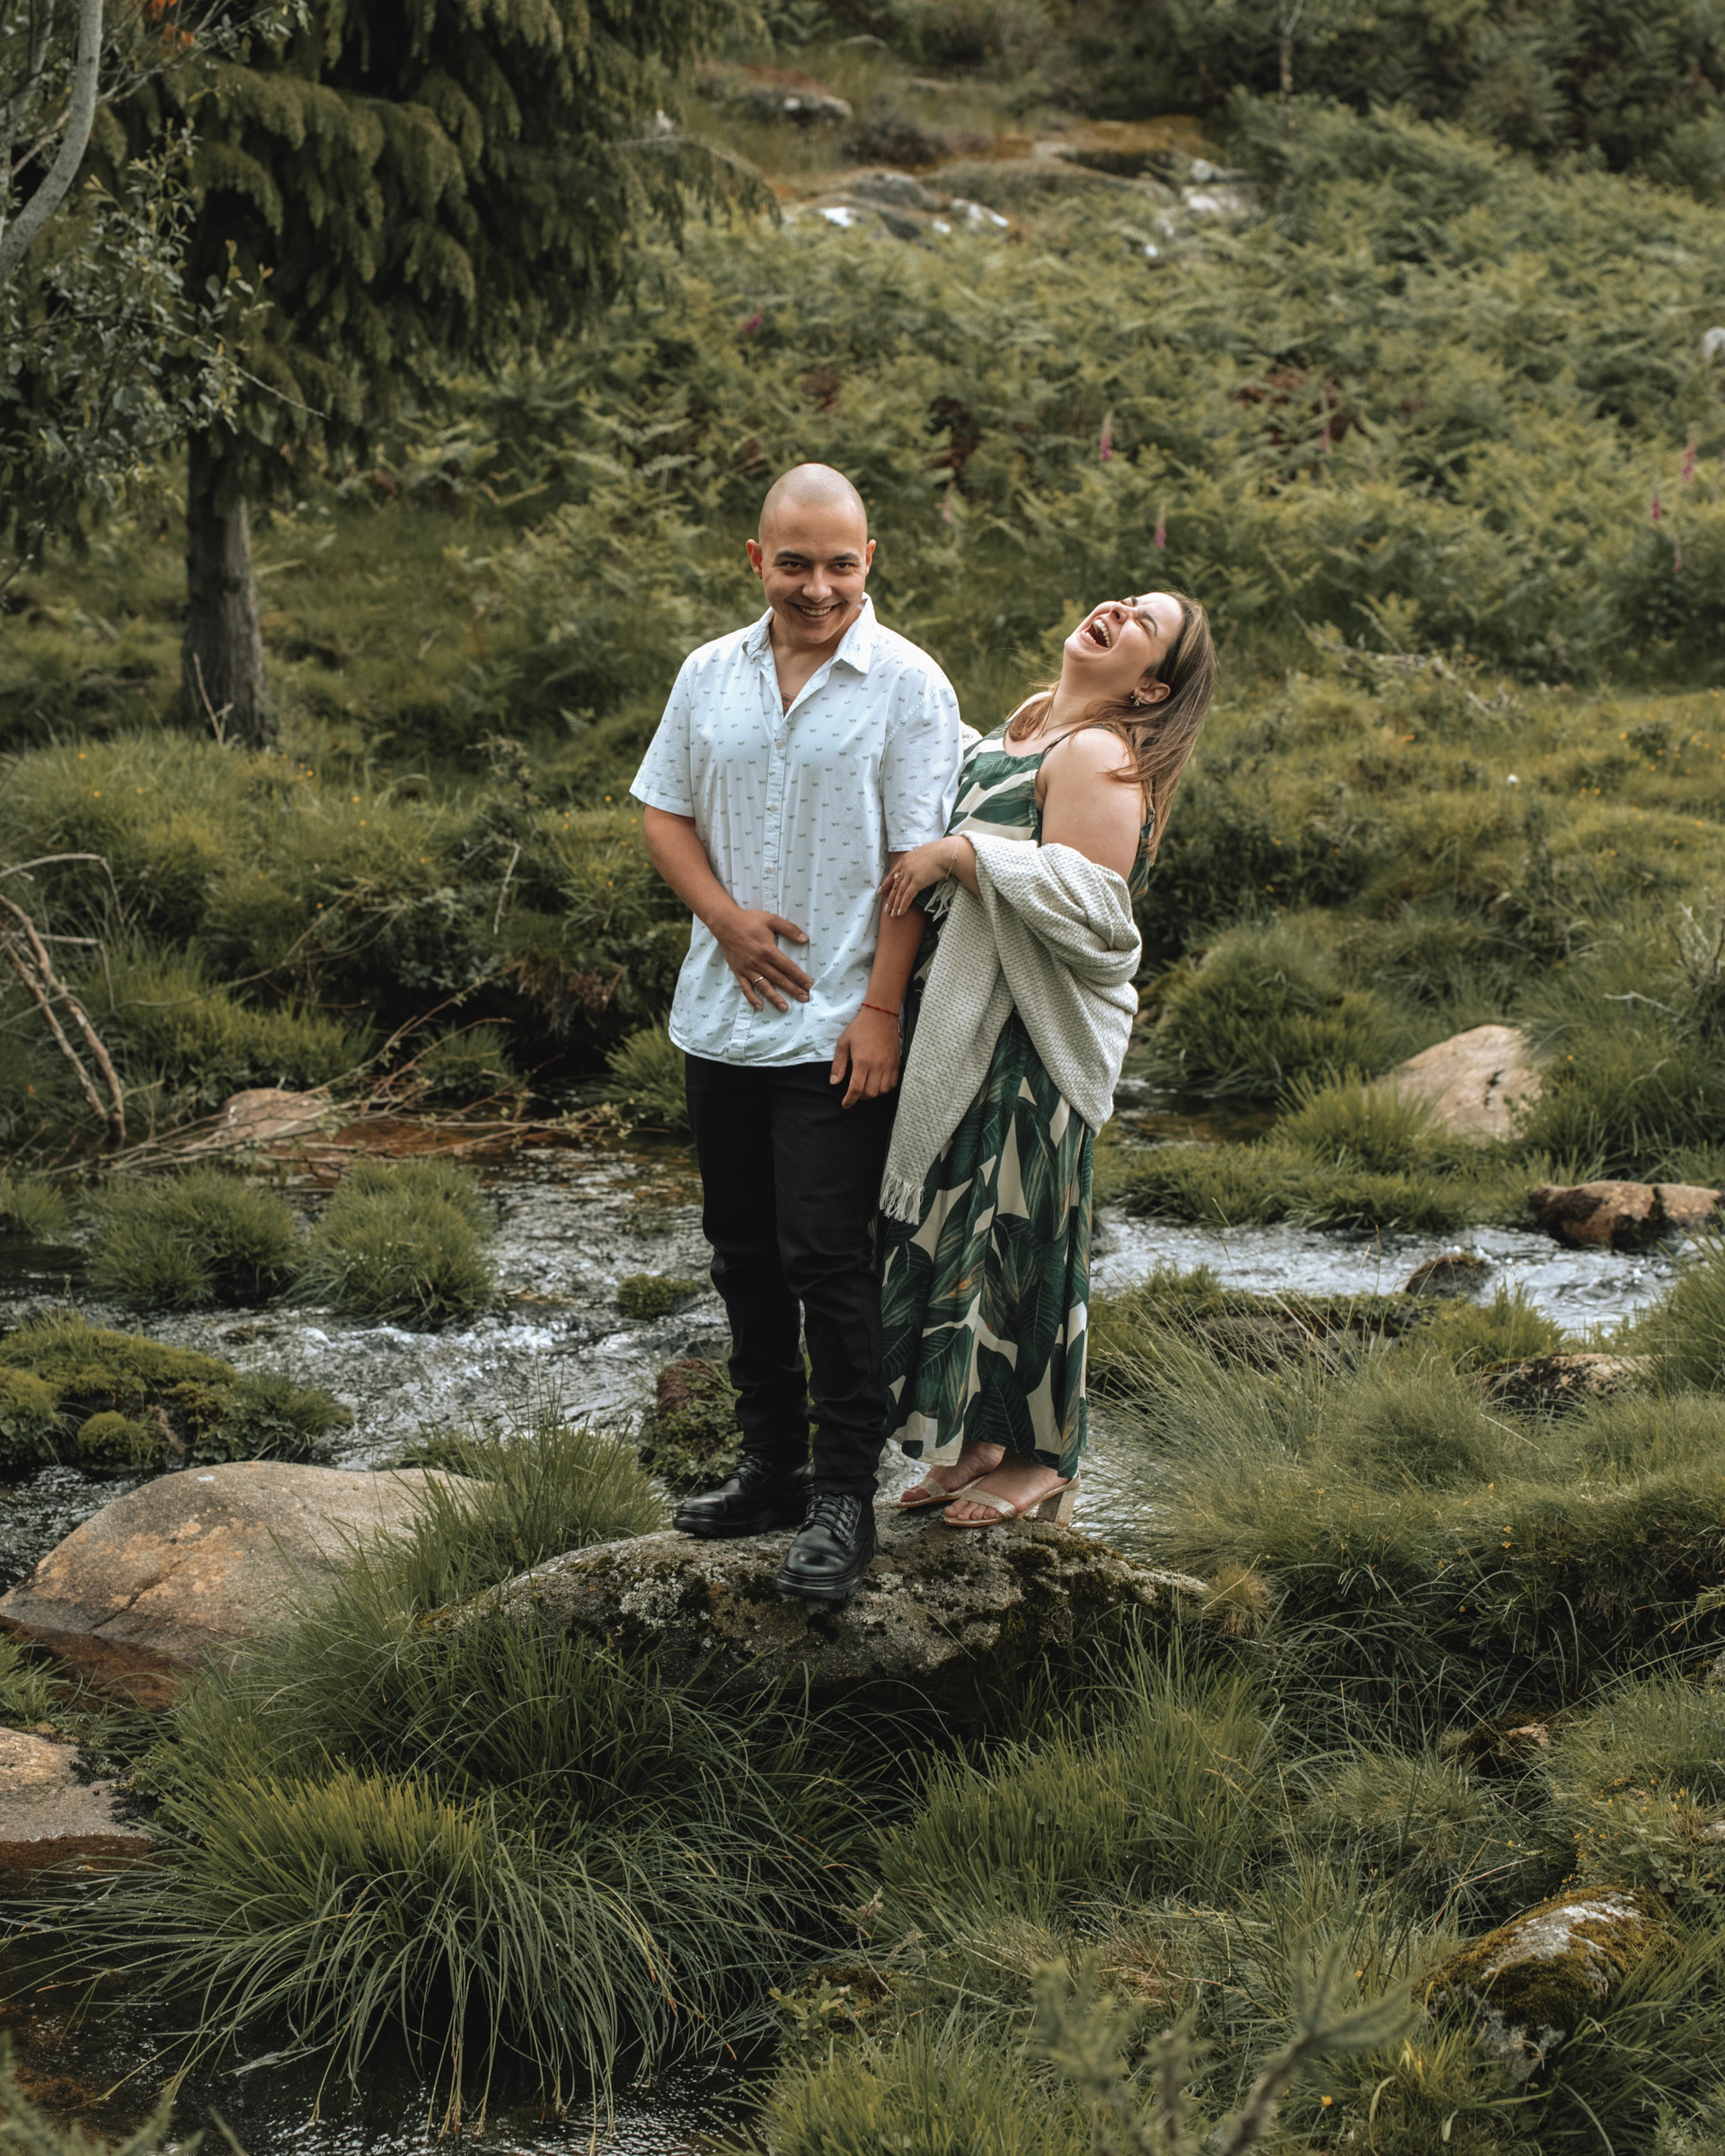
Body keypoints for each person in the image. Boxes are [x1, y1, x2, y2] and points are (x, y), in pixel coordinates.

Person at [632, 464, 964, 1602]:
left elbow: (917, 866)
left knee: (828, 1257)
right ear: (755, 560)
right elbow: (663, 811)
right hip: (719, 1019)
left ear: (870, 562)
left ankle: (842, 1498)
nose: (817, 586)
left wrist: (881, 1011)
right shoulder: (706, 674)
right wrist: (724, 922)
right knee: (742, 1255)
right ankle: (768, 1469)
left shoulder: (909, 684)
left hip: (840, 1028)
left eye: (839, 565)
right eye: (794, 563)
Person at [874, 589, 1216, 1526]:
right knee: (963, 1224)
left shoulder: (1100, 752)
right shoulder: (1026, 723)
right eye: (1125, 599)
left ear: (1150, 689)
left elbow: (1093, 907)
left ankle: (1041, 1457)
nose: (1118, 610)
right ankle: (978, 1441)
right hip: (965, 1015)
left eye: (1144, 624)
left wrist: (963, 858)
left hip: (1030, 1030)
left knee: (1023, 1233)